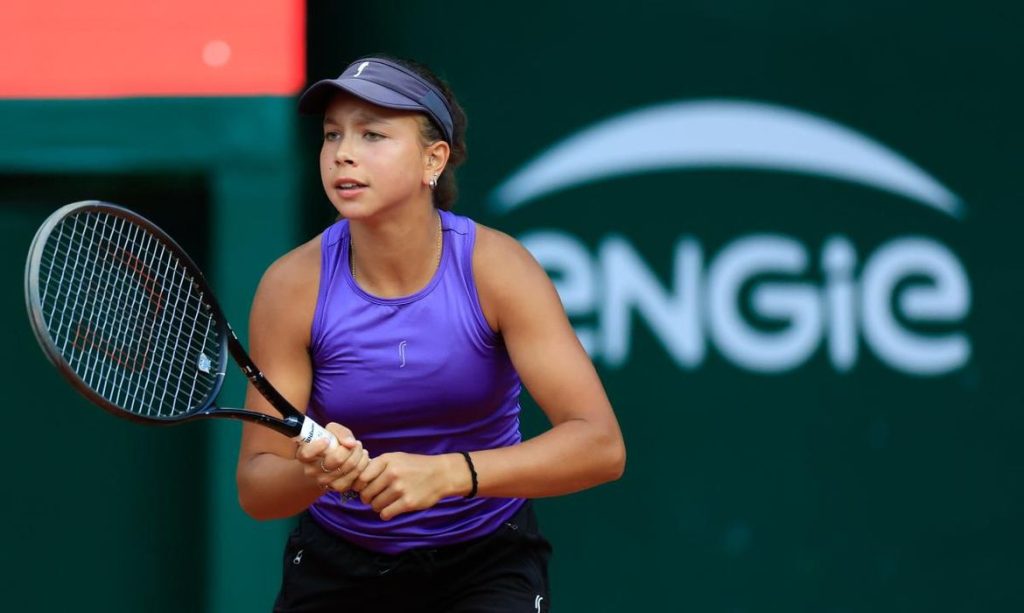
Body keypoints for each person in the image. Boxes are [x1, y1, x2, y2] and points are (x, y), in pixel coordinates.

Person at [235, 55, 626, 613]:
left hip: (485, 560)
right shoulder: (291, 287)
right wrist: (316, 471)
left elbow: (600, 445)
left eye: (372, 134)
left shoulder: (497, 269)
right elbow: (257, 487)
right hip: (340, 563)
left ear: (432, 159)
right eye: (332, 135)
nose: (343, 152)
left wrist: (449, 474)